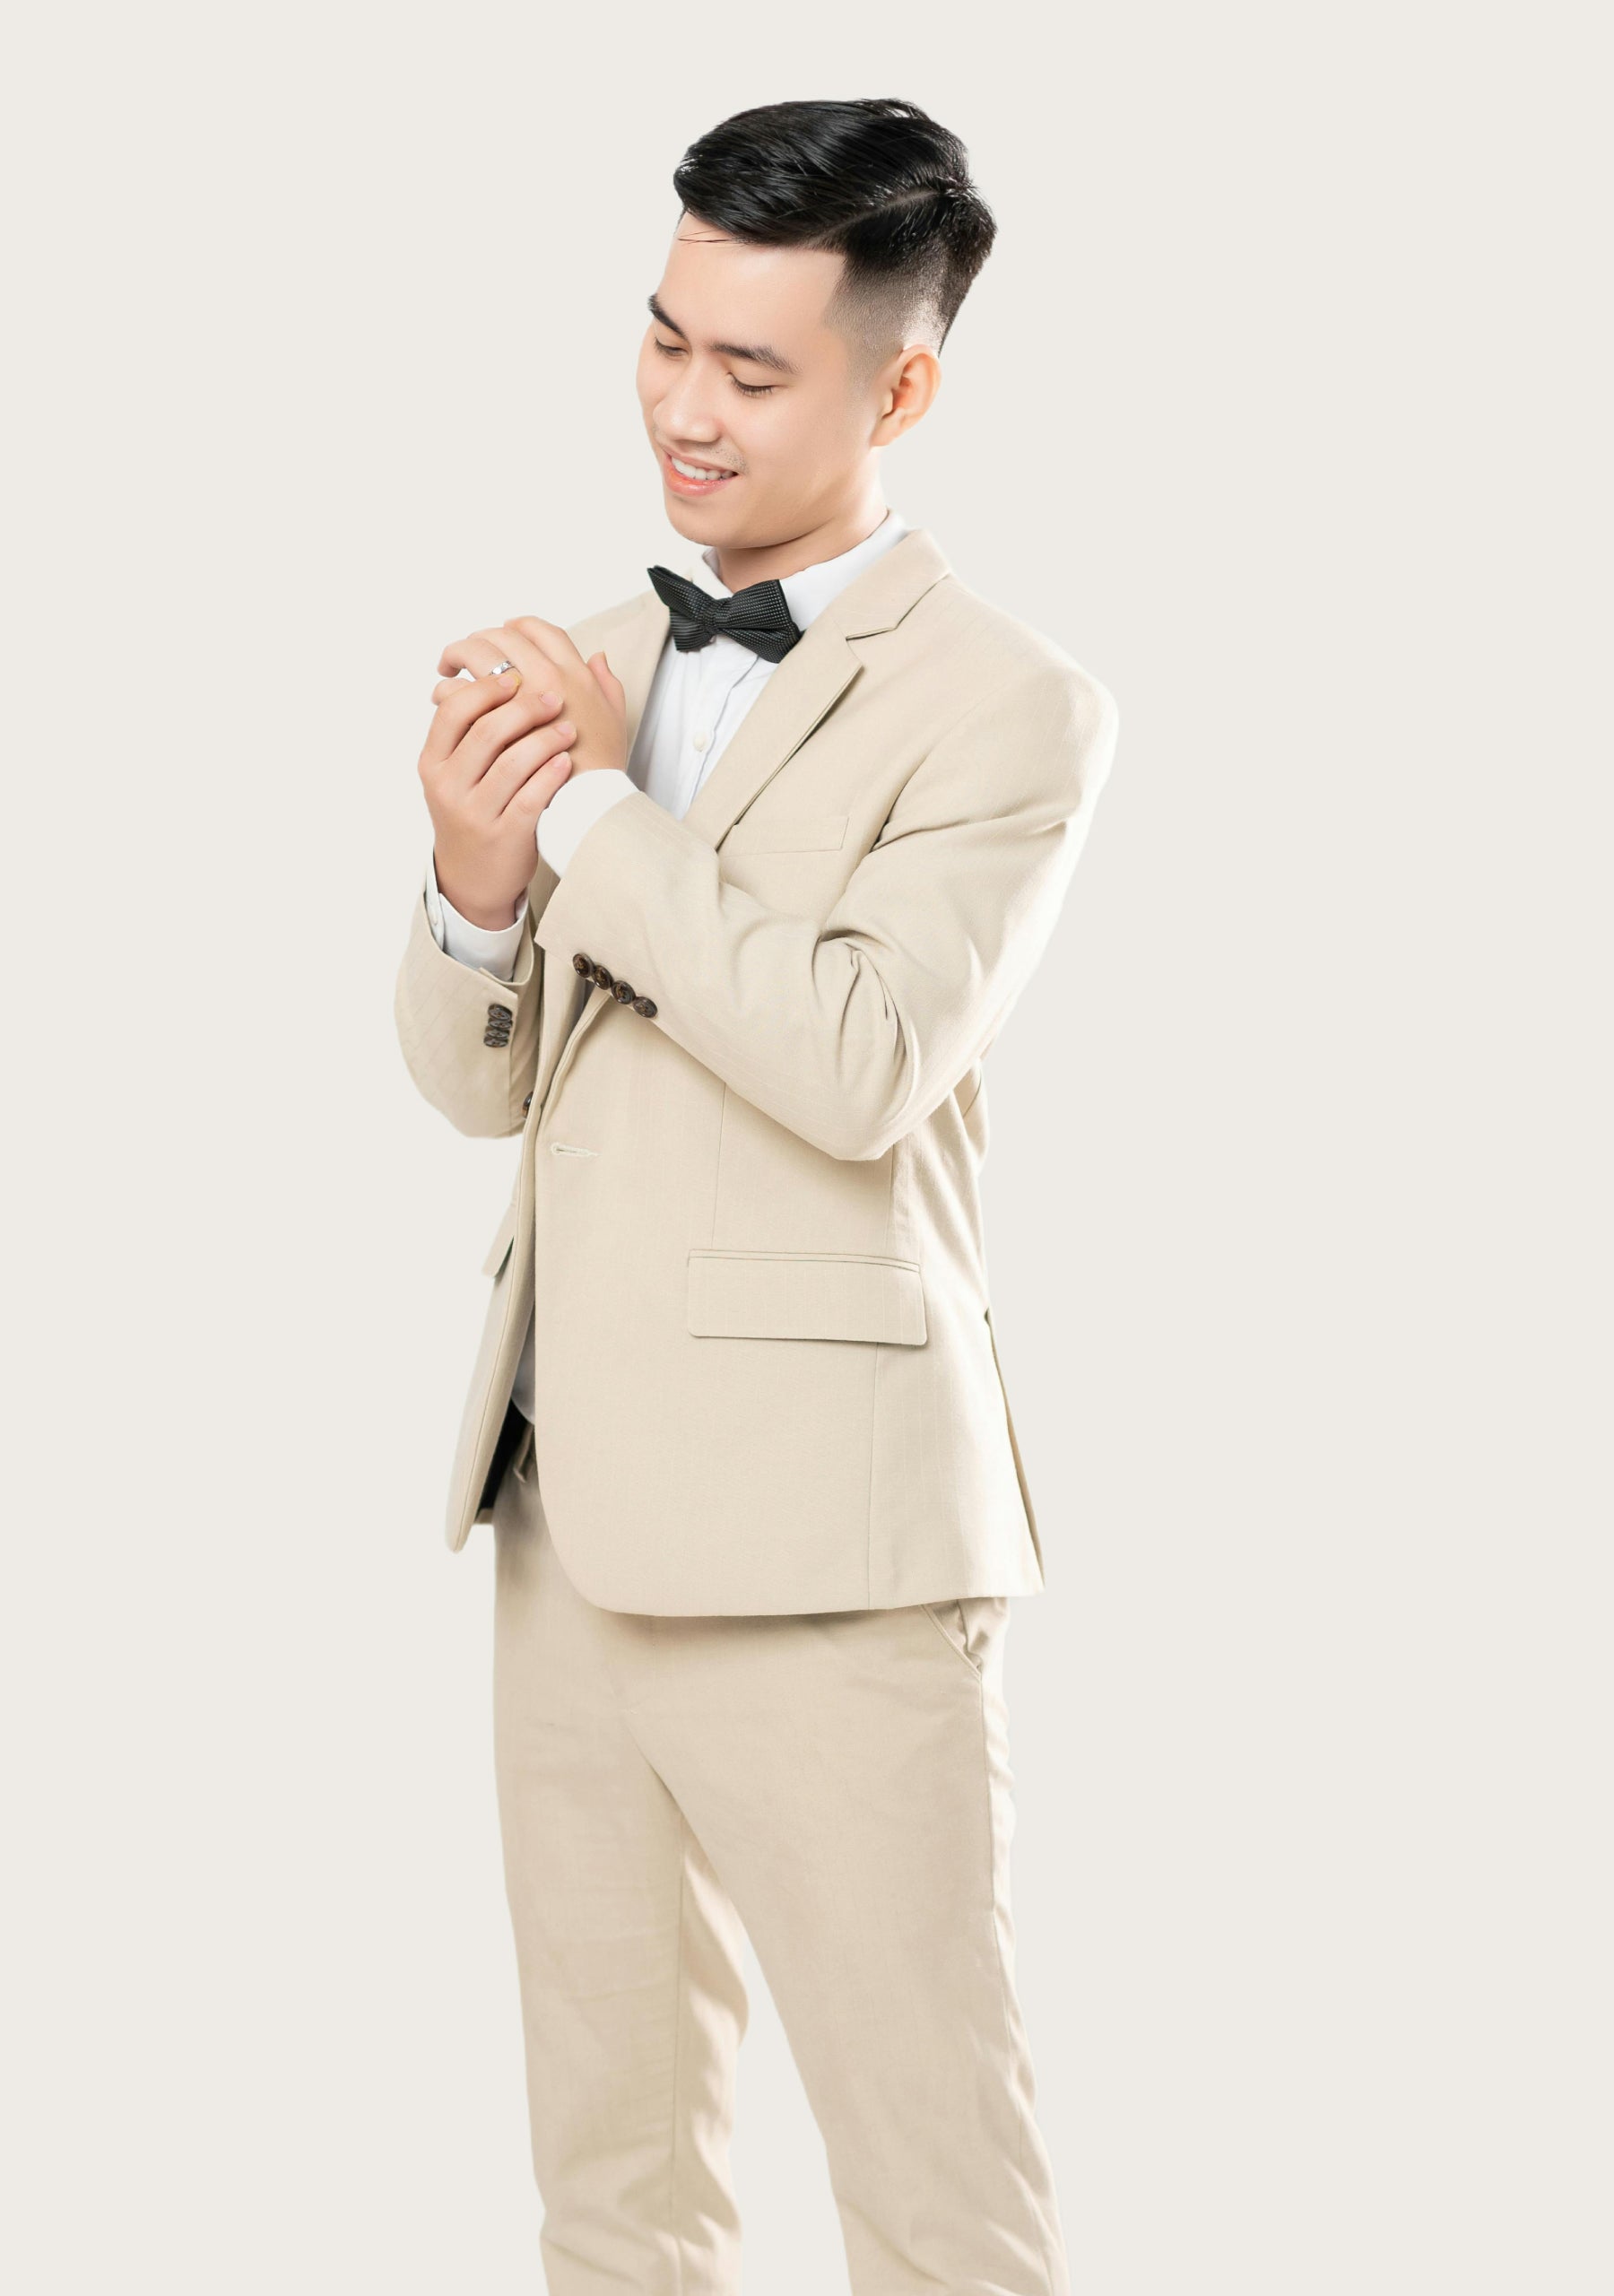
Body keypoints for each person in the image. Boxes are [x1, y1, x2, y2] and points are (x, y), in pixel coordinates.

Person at [394, 93, 1118, 2296]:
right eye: (661, 338)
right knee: (614, 2199)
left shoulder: (1012, 706)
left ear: (900, 392)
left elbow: (861, 1053)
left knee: (936, 2204)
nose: (681, 410)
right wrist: (475, 884)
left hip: (833, 1558)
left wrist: (588, 823)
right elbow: (473, 1087)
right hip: (564, 1522)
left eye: (749, 368)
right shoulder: (589, 654)